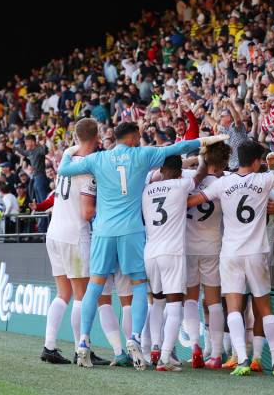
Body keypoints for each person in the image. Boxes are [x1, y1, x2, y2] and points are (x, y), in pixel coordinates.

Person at [56, 121, 227, 370]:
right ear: (135, 136)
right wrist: (205, 141)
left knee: (95, 285)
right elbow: (178, 147)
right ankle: (135, 337)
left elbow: (64, 169)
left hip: (103, 231)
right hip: (132, 232)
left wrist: (70, 150)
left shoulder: (98, 159)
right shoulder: (144, 154)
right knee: (138, 285)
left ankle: (83, 341)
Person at [188, 139, 274, 376]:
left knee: (233, 308)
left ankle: (241, 359)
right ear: (256, 161)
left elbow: (194, 201)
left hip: (230, 253)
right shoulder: (264, 180)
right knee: (264, 306)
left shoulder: (223, 183)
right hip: (257, 251)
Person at [41, 118, 122, 367]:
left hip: (54, 232)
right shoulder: (88, 169)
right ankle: (81, 349)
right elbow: (87, 212)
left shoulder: (67, 160)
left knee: (62, 293)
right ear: (97, 136)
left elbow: (71, 149)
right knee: (81, 295)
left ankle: (50, 346)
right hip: (74, 235)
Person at [142, 154, 207, 371]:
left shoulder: (147, 190)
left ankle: (155, 348)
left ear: (161, 169)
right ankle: (165, 358)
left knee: (157, 302)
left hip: (150, 252)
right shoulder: (181, 185)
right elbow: (200, 176)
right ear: (179, 172)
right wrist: (203, 158)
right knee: (174, 304)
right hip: (172, 252)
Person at [182, 142, 231, 369]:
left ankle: (195, 346)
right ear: (223, 162)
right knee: (213, 302)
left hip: (188, 246)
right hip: (213, 246)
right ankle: (217, 354)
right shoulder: (226, 182)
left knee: (191, 299)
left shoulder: (188, 178)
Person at [14, 134, 49, 203]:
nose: (25, 144)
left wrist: (43, 144)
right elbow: (23, 152)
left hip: (41, 176)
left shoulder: (39, 149)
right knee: (38, 200)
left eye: (27, 142)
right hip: (35, 177)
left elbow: (45, 151)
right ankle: (41, 212)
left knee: (43, 199)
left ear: (32, 142)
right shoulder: (30, 152)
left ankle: (47, 212)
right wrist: (13, 147)